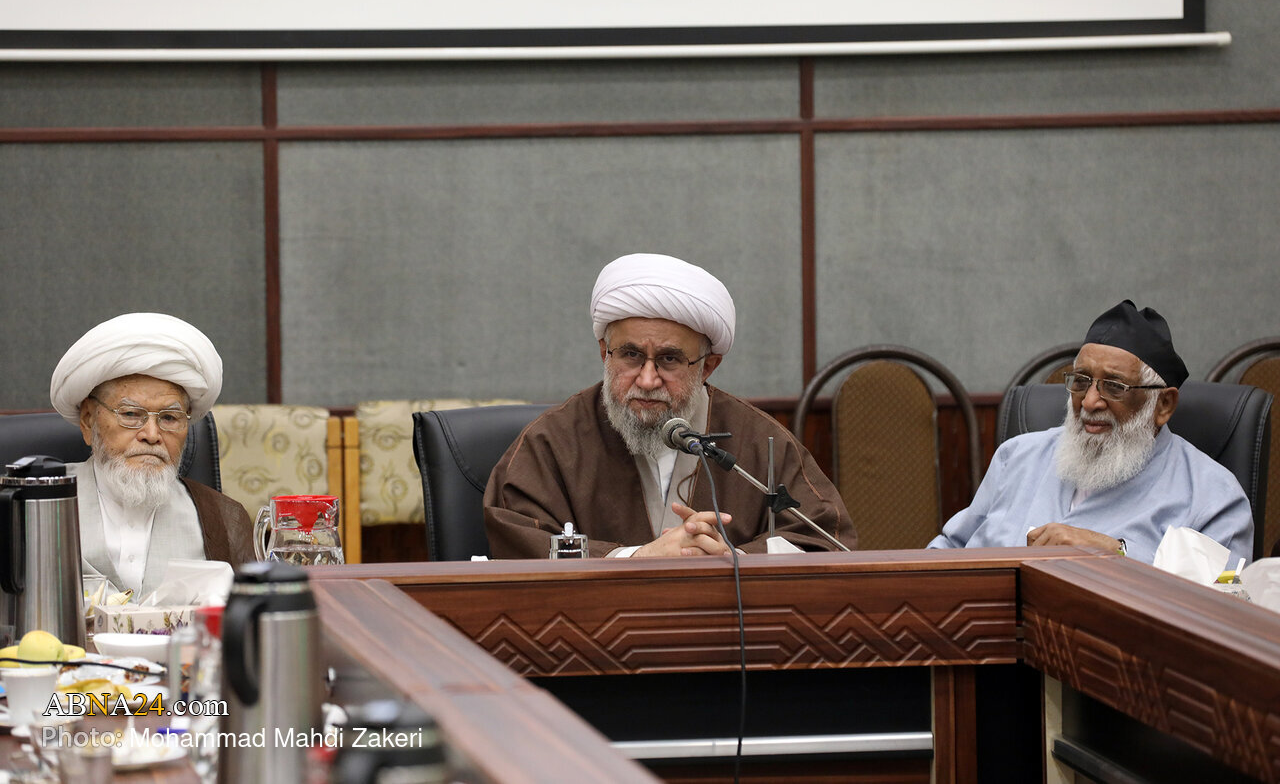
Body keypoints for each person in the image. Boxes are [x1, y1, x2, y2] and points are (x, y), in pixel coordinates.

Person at [484, 253, 857, 559]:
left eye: (669, 359)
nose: (648, 380)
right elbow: (517, 541)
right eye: (631, 355)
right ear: (604, 352)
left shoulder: (760, 442)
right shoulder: (551, 442)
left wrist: (732, 560)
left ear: (707, 366)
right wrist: (635, 559)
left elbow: (826, 541)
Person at [929, 300, 1254, 566]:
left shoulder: (1213, 496)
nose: (1089, 402)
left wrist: (1117, 554)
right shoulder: (1017, 457)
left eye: (1114, 386)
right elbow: (947, 550)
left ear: (1163, 405)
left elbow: (1222, 605)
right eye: (1081, 381)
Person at [50, 312, 254, 598]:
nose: (152, 434)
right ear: (88, 420)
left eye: (169, 418)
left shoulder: (224, 519)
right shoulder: (32, 506)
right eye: (131, 414)